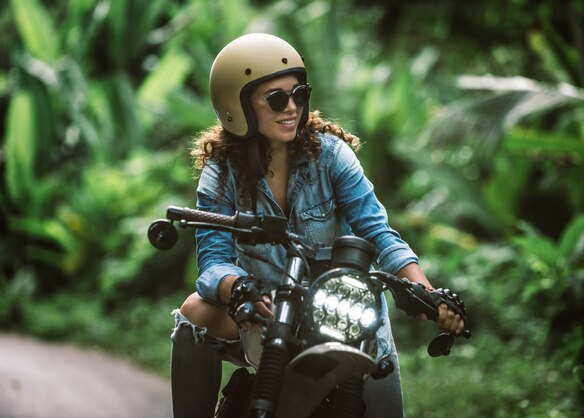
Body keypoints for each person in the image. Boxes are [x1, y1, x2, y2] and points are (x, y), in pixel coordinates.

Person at [170, 33, 465, 418]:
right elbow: (213, 260)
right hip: (268, 311)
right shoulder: (221, 172)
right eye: (276, 99)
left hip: (342, 310)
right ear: (237, 107)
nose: (291, 107)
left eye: (299, 94)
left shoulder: (330, 155)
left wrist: (426, 292)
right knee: (193, 314)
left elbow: (378, 232)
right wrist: (239, 288)